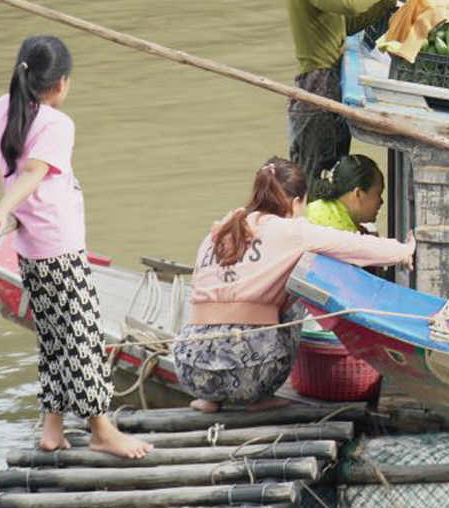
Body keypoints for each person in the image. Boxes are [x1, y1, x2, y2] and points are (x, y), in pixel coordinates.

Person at [0, 36, 151, 459]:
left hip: (30, 244)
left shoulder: (6, 106)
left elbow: (24, 170)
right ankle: (102, 430)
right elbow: (34, 173)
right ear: (61, 84)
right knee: (83, 336)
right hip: (58, 243)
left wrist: (6, 210)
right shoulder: (57, 124)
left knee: (54, 336)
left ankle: (52, 427)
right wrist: (1, 208)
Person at [172, 156, 414, 413]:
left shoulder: (220, 229)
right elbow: (353, 245)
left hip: (190, 369)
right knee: (298, 286)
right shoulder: (290, 230)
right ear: (296, 201)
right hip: (252, 376)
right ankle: (259, 399)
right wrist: (403, 250)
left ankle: (210, 400)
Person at [285, 0, 431, 177]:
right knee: (316, 180)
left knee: (328, 173)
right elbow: (348, 3)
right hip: (317, 90)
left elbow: (346, 24)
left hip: (324, 86)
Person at [304, 153, 385, 233]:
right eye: (378, 194)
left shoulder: (316, 207)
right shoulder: (344, 235)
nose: (381, 201)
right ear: (358, 194)